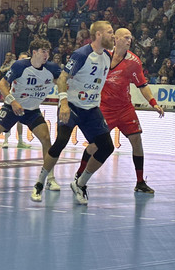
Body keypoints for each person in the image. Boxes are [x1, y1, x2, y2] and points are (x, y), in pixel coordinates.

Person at [0, 39, 64, 194]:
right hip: (12, 107)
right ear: (34, 52)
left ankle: (49, 178)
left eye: (48, 51)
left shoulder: (52, 68)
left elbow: (62, 82)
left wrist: (65, 97)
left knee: (46, 139)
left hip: (32, 110)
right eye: (44, 51)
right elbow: (2, 85)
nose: (47, 55)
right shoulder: (20, 66)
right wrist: (13, 102)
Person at [71, 28, 164, 194]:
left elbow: (142, 85)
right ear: (116, 39)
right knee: (94, 145)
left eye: (131, 38)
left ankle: (140, 182)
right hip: (103, 108)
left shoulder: (134, 62)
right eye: (126, 37)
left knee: (136, 141)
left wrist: (153, 103)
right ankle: (79, 175)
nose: (129, 41)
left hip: (125, 108)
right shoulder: (102, 56)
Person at [36, 21, 115, 206]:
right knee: (61, 141)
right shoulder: (81, 54)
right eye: (110, 32)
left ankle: (80, 184)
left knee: (107, 147)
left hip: (91, 108)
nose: (112, 36)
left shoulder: (108, 57)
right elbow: (63, 78)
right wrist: (63, 103)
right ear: (98, 35)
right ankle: (41, 182)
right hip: (71, 104)